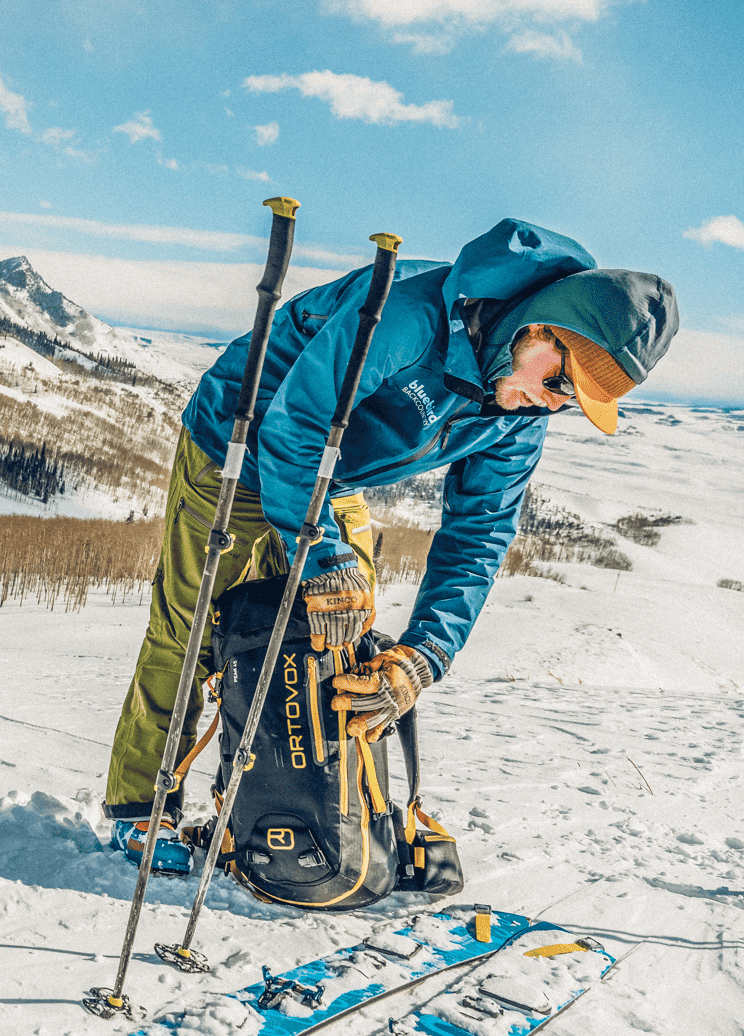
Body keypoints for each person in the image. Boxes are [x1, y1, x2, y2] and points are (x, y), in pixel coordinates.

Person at [103, 219, 680, 874]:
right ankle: (141, 805)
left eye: (571, 401)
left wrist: (426, 655)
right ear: (541, 324)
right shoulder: (407, 314)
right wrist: (320, 558)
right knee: (191, 629)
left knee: (340, 627)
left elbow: (480, 528)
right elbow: (295, 429)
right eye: (557, 381)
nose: (550, 406)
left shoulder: (517, 416)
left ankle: (292, 800)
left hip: (331, 471)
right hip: (238, 441)